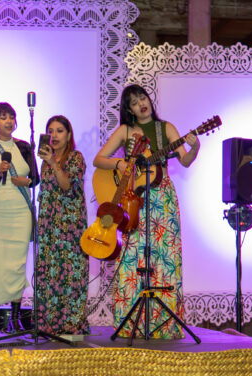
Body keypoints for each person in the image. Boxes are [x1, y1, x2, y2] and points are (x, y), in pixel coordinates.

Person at [93, 84, 200, 339]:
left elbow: (184, 160)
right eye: (133, 102)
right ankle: (132, 322)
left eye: (142, 97)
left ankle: (163, 323)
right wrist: (120, 162)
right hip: (132, 199)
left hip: (162, 198)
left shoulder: (166, 129)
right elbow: (99, 160)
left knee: (163, 257)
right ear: (128, 110)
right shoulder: (125, 130)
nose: (141, 103)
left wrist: (195, 146)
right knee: (133, 257)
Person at [0, 102, 39, 334]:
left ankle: (14, 316)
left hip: (20, 211)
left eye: (11, 117)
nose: (9, 121)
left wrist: (25, 181)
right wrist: (0, 171)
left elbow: (35, 177)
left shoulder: (24, 147)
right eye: (3, 117)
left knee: (17, 265)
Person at [36, 115, 90, 335]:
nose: (54, 135)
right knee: (49, 274)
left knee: (71, 275)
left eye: (59, 130)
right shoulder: (44, 161)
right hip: (49, 226)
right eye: (50, 131)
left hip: (70, 227)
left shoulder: (76, 158)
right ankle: (49, 323)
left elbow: (67, 186)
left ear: (68, 135)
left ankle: (71, 323)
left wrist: (53, 163)